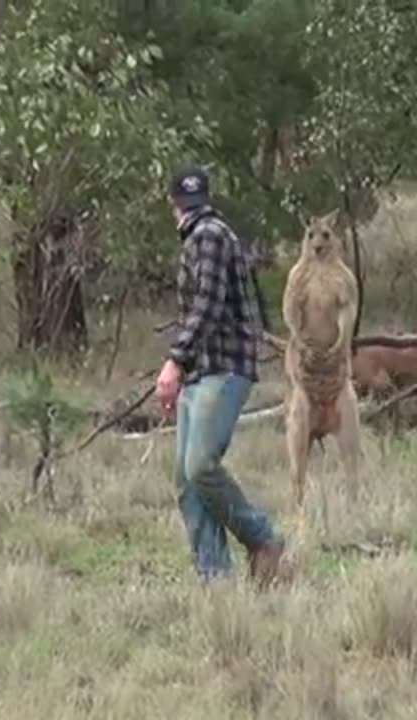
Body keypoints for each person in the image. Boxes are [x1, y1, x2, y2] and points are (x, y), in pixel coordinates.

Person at [155, 165, 287, 586]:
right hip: (204, 370)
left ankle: (264, 540)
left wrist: (175, 360)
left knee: (199, 467)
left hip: (224, 368)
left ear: (172, 203)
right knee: (186, 480)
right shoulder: (205, 234)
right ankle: (216, 580)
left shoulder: (207, 235)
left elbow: (209, 304)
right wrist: (184, 370)